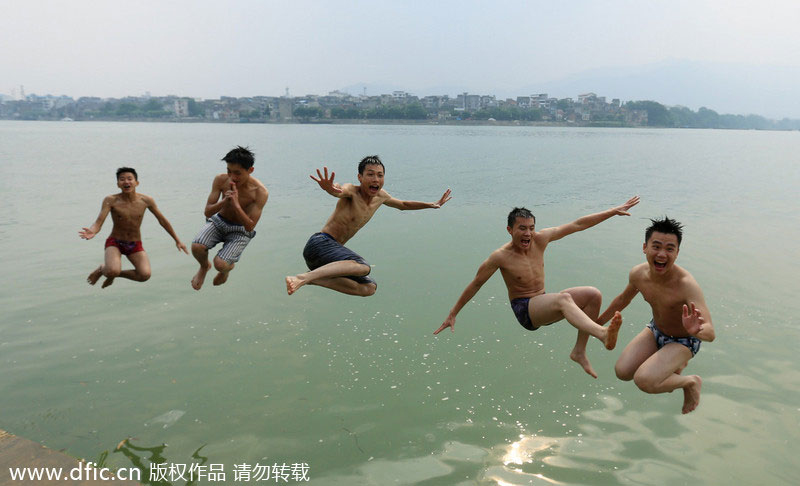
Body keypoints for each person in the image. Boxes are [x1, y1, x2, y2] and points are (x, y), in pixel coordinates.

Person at [434, 196, 640, 378]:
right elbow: (476, 284)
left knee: (593, 294)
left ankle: (579, 351)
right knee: (564, 299)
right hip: (525, 310)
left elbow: (578, 224)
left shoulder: (541, 239)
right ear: (509, 230)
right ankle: (602, 334)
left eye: (531, 228)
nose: (528, 233)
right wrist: (453, 313)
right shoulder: (500, 257)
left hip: (542, 301)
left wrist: (613, 211)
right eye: (522, 228)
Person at [286, 155, 452, 296]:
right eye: (370, 174)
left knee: (369, 288)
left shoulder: (381, 196)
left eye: (380, 175)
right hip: (319, 244)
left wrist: (431, 204)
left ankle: (310, 278)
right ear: (360, 177)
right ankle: (302, 278)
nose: (375, 179)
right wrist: (329, 188)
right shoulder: (352, 190)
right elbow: (338, 190)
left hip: (326, 263)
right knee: (363, 267)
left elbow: (403, 204)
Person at [597, 217, 714, 414]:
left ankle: (690, 382)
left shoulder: (686, 285)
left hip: (684, 340)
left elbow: (710, 332)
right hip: (656, 330)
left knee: (644, 380)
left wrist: (697, 330)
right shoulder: (638, 274)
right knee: (623, 372)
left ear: (677, 252)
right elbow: (622, 300)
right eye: (656, 246)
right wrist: (596, 323)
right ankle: (670, 369)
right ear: (645, 247)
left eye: (670, 249)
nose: (662, 254)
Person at [80, 167, 187, 288]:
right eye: (122, 179)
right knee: (112, 270)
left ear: (137, 182)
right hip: (115, 242)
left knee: (144, 275)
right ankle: (103, 270)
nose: (126, 182)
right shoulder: (111, 200)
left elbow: (162, 220)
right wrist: (92, 231)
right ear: (118, 184)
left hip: (135, 243)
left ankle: (112, 274)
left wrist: (177, 240)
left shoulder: (146, 200)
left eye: (130, 179)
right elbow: (98, 222)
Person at [190, 146, 268, 290]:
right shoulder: (220, 180)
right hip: (219, 221)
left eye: (237, 173)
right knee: (197, 247)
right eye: (229, 171)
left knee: (220, 264)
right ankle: (204, 267)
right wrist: (224, 202)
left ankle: (226, 271)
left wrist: (236, 204)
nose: (232, 177)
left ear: (250, 170)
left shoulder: (260, 192)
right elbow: (207, 212)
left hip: (240, 231)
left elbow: (250, 227)